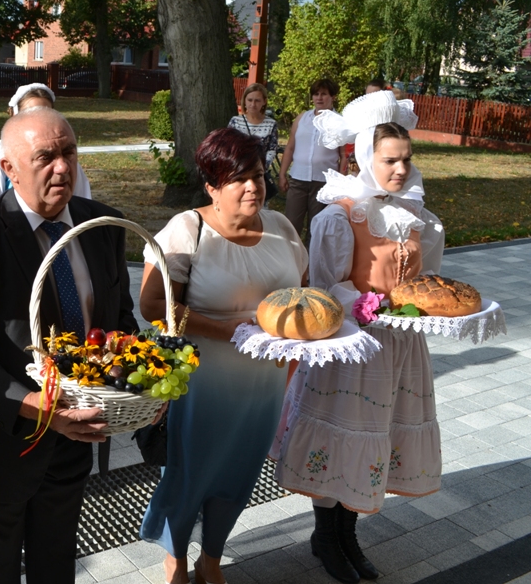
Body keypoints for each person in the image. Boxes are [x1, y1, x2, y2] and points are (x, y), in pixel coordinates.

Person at [0, 107, 139, 584]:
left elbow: (119, 323)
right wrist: (36, 407)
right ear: (9, 169)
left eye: (68, 152)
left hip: (74, 442)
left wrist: (141, 390)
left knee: (56, 566)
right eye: (45, 156)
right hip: (0, 447)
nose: (62, 167)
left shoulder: (104, 225)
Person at [271, 92, 444, 584]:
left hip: (399, 349)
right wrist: (368, 305)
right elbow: (324, 292)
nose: (401, 169)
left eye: (406, 159)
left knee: (376, 439)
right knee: (342, 435)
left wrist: (424, 309)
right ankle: (327, 536)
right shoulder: (338, 216)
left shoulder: (415, 214)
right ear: (363, 156)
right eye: (390, 160)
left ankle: (348, 534)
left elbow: (427, 281)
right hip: (350, 349)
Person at [137, 127, 308, 584]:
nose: (253, 187)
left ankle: (211, 557)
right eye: (238, 179)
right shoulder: (186, 230)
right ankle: (174, 556)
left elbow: (304, 297)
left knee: (239, 474)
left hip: (266, 385)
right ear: (212, 186)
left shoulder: (283, 228)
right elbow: (153, 307)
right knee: (190, 475)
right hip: (203, 382)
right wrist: (225, 330)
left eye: (257, 175)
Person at [0, 83, 92, 208]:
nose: (39, 120)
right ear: (15, 115)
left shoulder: (66, 164)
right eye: (30, 113)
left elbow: (82, 206)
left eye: (46, 113)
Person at [278, 79, 348, 240]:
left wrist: (340, 182)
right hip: (298, 179)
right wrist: (282, 174)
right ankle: (291, 259)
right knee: (291, 224)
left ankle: (312, 262)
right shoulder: (302, 118)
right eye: (316, 94)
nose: (319, 98)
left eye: (324, 94)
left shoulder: (340, 122)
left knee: (316, 227)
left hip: (323, 183)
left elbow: (344, 155)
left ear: (333, 97)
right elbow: (290, 148)